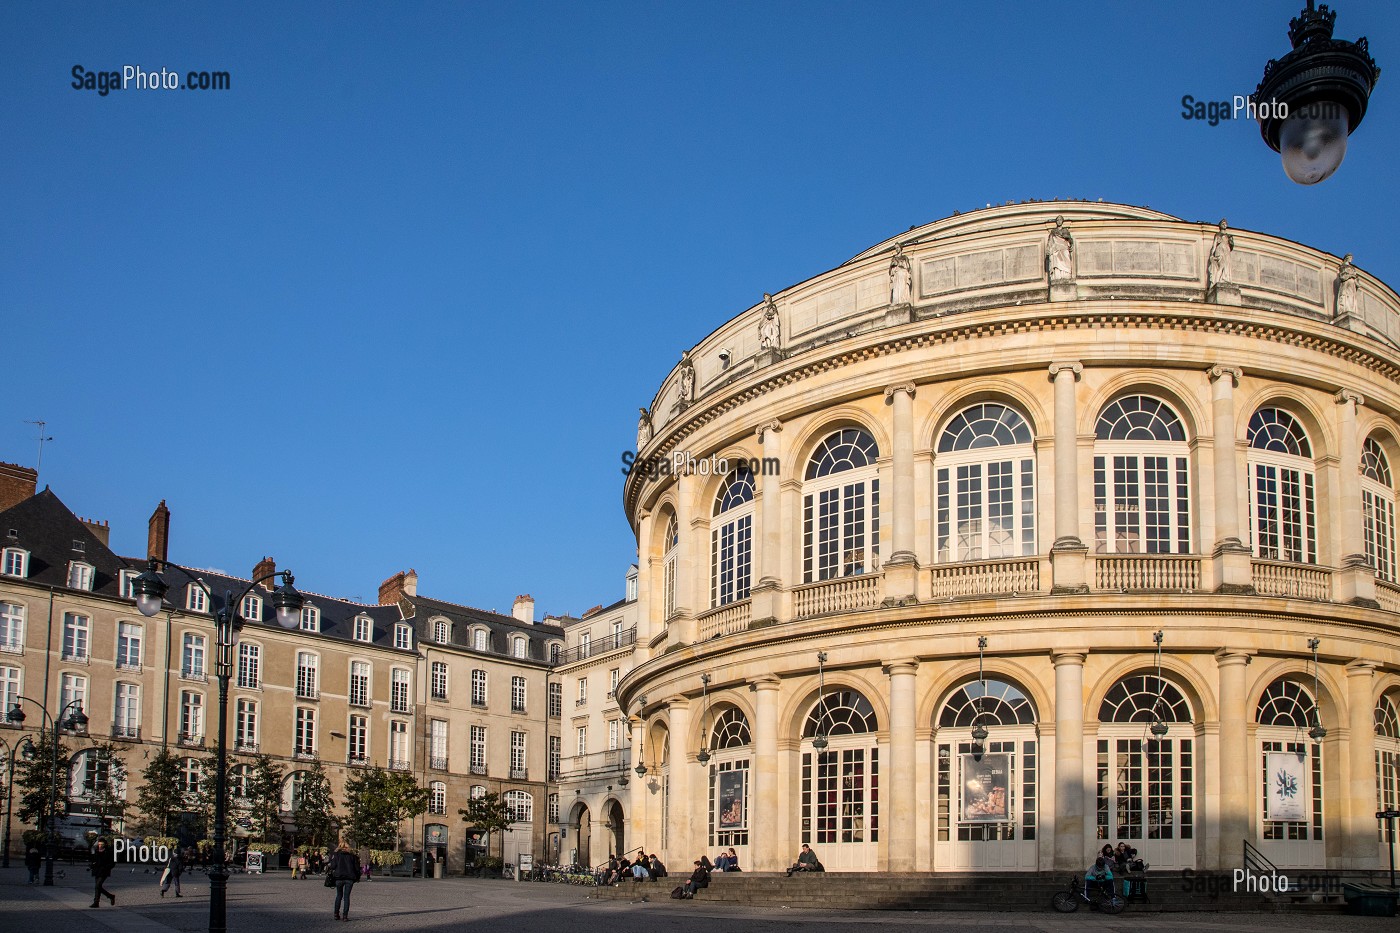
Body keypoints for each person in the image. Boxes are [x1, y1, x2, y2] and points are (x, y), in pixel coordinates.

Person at [329, 842, 361, 922]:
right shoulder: (352, 856)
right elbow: (357, 868)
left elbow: (332, 866)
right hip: (349, 878)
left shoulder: (336, 855)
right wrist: (357, 877)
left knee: (339, 895)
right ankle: (345, 916)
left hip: (339, 877)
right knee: (346, 897)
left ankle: (336, 914)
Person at [90, 837, 117, 909]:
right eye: (99, 844)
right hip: (97, 870)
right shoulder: (96, 851)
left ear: (105, 844)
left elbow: (113, 863)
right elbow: (92, 860)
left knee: (98, 886)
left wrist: (106, 867)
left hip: (104, 871)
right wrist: (92, 865)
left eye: (102, 844)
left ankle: (109, 897)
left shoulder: (109, 852)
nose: (100, 846)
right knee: (97, 887)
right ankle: (97, 902)